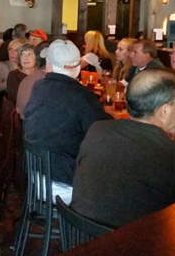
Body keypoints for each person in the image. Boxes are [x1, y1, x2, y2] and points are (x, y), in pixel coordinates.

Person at [71, 69, 175, 228]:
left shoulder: (98, 129)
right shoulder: (171, 157)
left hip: (79, 235)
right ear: (164, 111)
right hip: (129, 244)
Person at [24, 39, 111, 203]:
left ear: (49, 65)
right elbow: (103, 136)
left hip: (37, 175)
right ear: (78, 68)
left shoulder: (38, 87)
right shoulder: (84, 97)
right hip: (63, 184)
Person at [16, 41, 49, 118]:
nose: (26, 58)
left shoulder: (40, 75)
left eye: (29, 54)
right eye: (22, 55)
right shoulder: (15, 76)